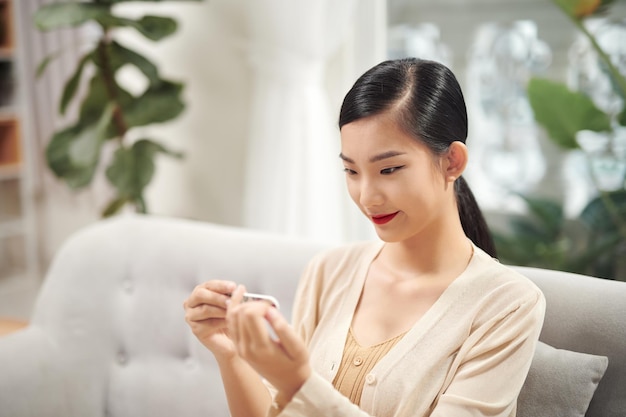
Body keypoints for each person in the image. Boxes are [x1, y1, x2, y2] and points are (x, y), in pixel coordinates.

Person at [183, 57, 545, 417]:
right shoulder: (330, 270)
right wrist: (231, 355)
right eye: (351, 170)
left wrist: (299, 385)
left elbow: (297, 392)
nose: (367, 196)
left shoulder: (508, 304)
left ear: (452, 162)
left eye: (389, 169)